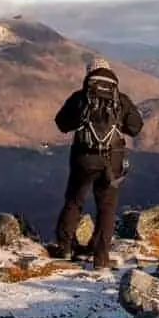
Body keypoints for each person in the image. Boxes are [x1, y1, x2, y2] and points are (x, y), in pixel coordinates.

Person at [51, 57, 143, 268]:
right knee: (107, 208)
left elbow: (61, 123)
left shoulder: (80, 97)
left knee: (74, 201)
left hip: (83, 158)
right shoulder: (121, 99)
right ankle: (101, 259)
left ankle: (64, 248)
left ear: (88, 74)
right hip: (113, 160)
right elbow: (135, 127)